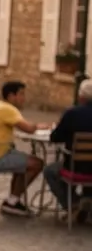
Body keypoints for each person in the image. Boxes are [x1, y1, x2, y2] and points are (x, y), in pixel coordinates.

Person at [0, 80, 43, 217]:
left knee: (22, 161)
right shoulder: (7, 109)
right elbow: (28, 128)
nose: (23, 98)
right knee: (37, 164)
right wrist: (43, 126)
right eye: (21, 94)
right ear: (11, 96)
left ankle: (13, 201)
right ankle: (12, 201)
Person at [44, 77, 92, 217]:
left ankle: (73, 204)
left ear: (81, 96)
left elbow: (55, 138)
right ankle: (86, 201)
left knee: (50, 171)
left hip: (74, 166)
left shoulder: (72, 114)